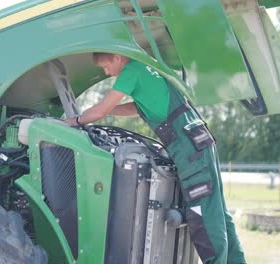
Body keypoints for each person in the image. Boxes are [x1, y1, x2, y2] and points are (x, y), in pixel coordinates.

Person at [65, 53, 246, 264]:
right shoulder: (147, 68)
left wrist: (76, 120)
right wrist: (108, 110)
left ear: (117, 57)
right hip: (200, 143)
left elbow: (100, 110)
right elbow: (136, 107)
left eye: (106, 66)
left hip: (189, 151)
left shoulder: (130, 71)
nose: (107, 72)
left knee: (203, 215)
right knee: (218, 212)